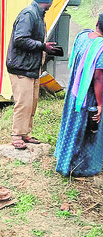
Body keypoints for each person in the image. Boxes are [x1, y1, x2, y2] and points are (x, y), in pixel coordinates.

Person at [6, 0, 56, 149]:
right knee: (23, 102)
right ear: (47, 0)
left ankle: (25, 133)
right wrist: (42, 46)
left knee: (32, 101)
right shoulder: (29, 14)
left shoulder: (38, 14)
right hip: (21, 67)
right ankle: (16, 136)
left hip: (31, 67)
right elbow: (20, 39)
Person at [55, 14, 103, 177]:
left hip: (74, 90)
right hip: (86, 94)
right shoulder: (101, 47)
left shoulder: (83, 36)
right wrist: (99, 104)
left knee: (70, 125)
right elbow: (98, 77)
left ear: (97, 23)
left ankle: (63, 156)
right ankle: (79, 166)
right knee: (86, 129)